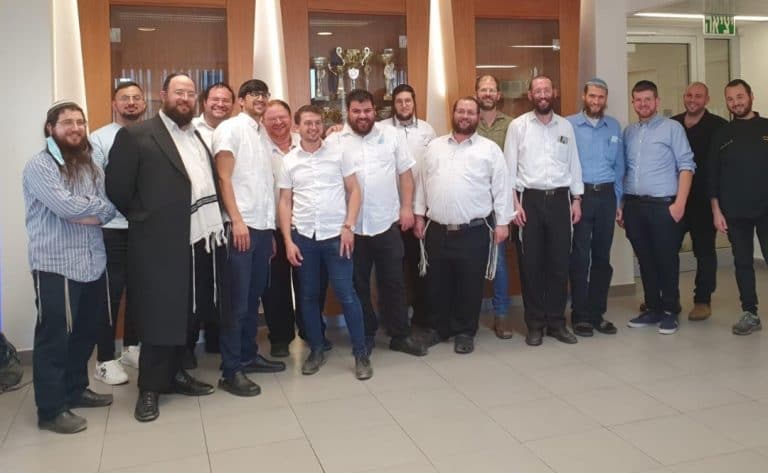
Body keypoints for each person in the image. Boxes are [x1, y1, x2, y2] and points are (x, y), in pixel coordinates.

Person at [107, 73, 225, 422]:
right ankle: (149, 389)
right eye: (178, 92)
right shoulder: (136, 135)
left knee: (187, 312)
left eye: (190, 93)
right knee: (160, 315)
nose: (185, 98)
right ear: (162, 95)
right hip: (158, 243)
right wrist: (147, 218)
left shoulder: (197, 136)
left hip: (198, 238)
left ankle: (175, 375)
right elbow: (117, 189)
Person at [24, 101, 115, 433]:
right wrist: (90, 210)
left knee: (86, 332)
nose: (75, 128)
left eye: (80, 122)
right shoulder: (41, 165)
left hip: (92, 262)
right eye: (67, 123)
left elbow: (109, 208)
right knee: (55, 338)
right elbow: (65, 208)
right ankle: (51, 410)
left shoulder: (91, 165)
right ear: (51, 128)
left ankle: (76, 389)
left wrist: (89, 210)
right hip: (56, 265)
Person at [277, 104, 372, 379]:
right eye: (307, 123)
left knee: (347, 294)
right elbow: (285, 202)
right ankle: (316, 349)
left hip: (336, 237)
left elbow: (354, 191)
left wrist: (349, 226)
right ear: (297, 127)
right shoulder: (289, 161)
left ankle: (360, 353)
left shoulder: (339, 154)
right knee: (308, 296)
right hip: (304, 237)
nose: (313, 127)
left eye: (318, 122)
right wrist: (288, 241)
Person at [333, 89, 426, 356]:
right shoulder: (335, 141)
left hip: (387, 222)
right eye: (356, 111)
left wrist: (407, 207)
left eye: (367, 111)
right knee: (358, 284)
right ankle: (366, 334)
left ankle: (400, 335)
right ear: (348, 112)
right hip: (352, 227)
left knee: (394, 282)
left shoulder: (392, 136)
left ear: (375, 111)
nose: (362, 116)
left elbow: (406, 175)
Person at [414, 97, 510, 354]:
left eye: (470, 112)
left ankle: (466, 331)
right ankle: (439, 328)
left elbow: (502, 188)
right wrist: (418, 215)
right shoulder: (434, 147)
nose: (465, 116)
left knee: (469, 284)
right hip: (437, 230)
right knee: (438, 283)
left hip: (474, 230)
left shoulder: (489, 150)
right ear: (453, 114)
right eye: (461, 111)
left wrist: (502, 223)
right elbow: (422, 183)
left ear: (478, 117)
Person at [212, 79, 286, 397]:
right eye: (254, 94)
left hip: (261, 229)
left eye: (264, 94)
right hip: (240, 228)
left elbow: (263, 185)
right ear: (240, 101)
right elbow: (224, 178)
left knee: (253, 299)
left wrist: (268, 231)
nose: (260, 99)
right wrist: (237, 220)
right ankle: (231, 370)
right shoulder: (230, 129)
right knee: (236, 303)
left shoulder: (261, 134)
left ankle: (248, 355)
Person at [505, 75, 583, 346]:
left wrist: (577, 199)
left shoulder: (566, 126)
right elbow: (508, 168)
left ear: (554, 93)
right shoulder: (518, 126)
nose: (542, 95)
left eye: (546, 90)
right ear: (530, 95)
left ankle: (557, 323)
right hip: (530, 201)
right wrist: (514, 205)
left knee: (559, 264)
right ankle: (535, 324)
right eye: (537, 91)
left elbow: (574, 164)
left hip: (561, 200)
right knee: (531, 265)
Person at [620, 80, 695, 335]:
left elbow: (686, 166)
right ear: (633, 102)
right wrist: (622, 205)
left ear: (657, 101)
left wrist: (679, 204)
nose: (643, 104)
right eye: (638, 100)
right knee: (645, 259)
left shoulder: (672, 128)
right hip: (634, 206)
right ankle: (652, 307)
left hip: (664, 206)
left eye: (648, 99)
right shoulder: (628, 133)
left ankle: (670, 310)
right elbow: (625, 171)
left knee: (666, 258)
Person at [261, 99, 330, 357]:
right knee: (275, 286)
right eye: (272, 119)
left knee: (311, 284)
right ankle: (280, 337)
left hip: (305, 227)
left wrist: (336, 129)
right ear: (263, 122)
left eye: (283, 117)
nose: (278, 122)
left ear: (291, 120)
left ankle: (312, 332)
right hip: (271, 227)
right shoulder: (258, 146)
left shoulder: (306, 140)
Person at [89, 80, 146, 386]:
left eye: (136, 97)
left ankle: (131, 348)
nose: (131, 102)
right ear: (114, 104)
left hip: (143, 228)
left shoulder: (150, 134)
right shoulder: (99, 138)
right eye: (125, 98)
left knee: (139, 290)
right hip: (112, 228)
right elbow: (97, 184)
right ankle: (104, 359)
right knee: (110, 295)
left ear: (144, 104)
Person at [179, 82, 235, 362]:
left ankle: (216, 340)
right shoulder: (190, 130)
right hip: (197, 222)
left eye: (226, 100)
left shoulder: (236, 130)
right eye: (215, 99)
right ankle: (187, 347)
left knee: (223, 285)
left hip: (227, 220)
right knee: (194, 285)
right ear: (204, 102)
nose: (220, 104)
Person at [566, 78, 624, 337]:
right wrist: (572, 199)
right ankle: (580, 315)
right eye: (592, 96)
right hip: (581, 197)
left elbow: (619, 168)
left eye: (601, 97)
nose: (596, 101)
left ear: (605, 99)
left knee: (602, 257)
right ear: (584, 96)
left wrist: (619, 202)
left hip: (607, 197)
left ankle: (597, 313)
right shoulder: (568, 125)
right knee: (580, 258)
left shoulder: (614, 126)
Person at [710, 79, 768, 335]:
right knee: (743, 262)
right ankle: (750, 313)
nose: (736, 103)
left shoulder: (766, 127)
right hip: (734, 212)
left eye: (740, 97)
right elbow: (712, 175)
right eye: (730, 99)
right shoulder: (722, 134)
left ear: (751, 96)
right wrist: (716, 210)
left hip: (766, 209)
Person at [378, 84, 436, 331]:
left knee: (419, 266)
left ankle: (421, 318)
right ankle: (393, 321)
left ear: (414, 103)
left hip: (419, 208)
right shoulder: (380, 129)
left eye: (408, 101)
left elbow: (431, 168)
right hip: (389, 211)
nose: (404, 105)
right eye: (399, 101)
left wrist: (418, 209)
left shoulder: (427, 130)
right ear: (393, 104)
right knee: (392, 271)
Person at [671, 82, 727, 321]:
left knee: (704, 252)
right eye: (689, 95)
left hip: (704, 202)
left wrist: (719, 204)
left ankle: (702, 300)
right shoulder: (672, 124)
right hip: (675, 200)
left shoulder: (719, 127)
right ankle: (668, 299)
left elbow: (724, 166)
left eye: (698, 96)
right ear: (684, 97)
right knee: (667, 250)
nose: (692, 99)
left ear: (707, 99)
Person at [475, 75, 515, 339]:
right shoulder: (468, 121)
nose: (487, 94)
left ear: (498, 94)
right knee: (471, 262)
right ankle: (468, 314)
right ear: (476, 93)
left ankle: (501, 315)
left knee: (499, 263)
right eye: (483, 90)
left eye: (492, 90)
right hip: (474, 202)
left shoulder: (512, 125)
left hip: (500, 202)